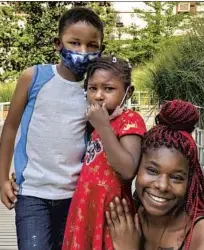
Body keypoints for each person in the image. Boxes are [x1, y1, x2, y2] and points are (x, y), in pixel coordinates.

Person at [0, 7, 105, 250]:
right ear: (58, 43)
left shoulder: (95, 90)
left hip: (76, 194)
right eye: (74, 43)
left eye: (92, 45)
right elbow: (10, 127)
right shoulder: (33, 77)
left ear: (101, 49)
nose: (82, 51)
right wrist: (2, 178)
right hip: (33, 192)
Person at [105, 100, 204, 250]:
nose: (162, 185)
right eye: (152, 171)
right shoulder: (128, 216)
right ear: (138, 168)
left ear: (189, 181)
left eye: (176, 177)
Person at [62, 56, 147, 250]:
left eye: (108, 89)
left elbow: (127, 169)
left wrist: (103, 126)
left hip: (111, 211)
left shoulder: (130, 120)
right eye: (93, 88)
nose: (99, 95)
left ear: (128, 91)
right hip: (85, 205)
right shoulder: (93, 122)